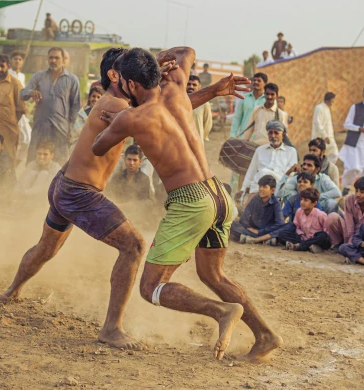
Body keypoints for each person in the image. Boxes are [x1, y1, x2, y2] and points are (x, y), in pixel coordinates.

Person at [0, 46, 252, 353]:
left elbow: (167, 113)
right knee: (133, 246)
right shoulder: (118, 104)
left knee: (46, 247)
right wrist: (187, 82)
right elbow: (167, 113)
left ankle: (11, 291)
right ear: (119, 77)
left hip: (65, 186)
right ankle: (111, 329)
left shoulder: (122, 104)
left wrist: (198, 87)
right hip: (79, 192)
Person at [91, 46, 280, 362]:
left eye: (122, 82)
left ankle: (222, 311)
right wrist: (160, 61)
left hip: (191, 201)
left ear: (132, 85)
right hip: (218, 194)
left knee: (151, 286)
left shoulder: (131, 117)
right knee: (213, 276)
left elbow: (98, 147)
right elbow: (186, 51)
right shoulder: (176, 87)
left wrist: (116, 120)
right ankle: (265, 335)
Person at [21, 47, 81, 164]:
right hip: (40, 125)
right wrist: (30, 92)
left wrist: (71, 129)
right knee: (34, 159)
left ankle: (58, 183)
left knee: (61, 161)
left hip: (61, 128)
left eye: (57, 58)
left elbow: (76, 106)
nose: (53, 60)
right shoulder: (39, 76)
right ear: (47, 59)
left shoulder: (72, 79)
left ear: (63, 60)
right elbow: (22, 94)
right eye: (51, 58)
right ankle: (31, 182)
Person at [240, 120, 298, 202]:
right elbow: (251, 172)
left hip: (279, 184)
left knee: (264, 173)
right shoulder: (260, 150)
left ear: (283, 135)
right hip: (259, 185)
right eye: (270, 133)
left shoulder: (291, 151)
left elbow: (290, 175)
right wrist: (245, 188)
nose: (273, 136)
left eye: (276, 133)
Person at [231, 176, 283, 245]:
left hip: (266, 232)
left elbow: (280, 224)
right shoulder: (255, 199)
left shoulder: (276, 203)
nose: (261, 189)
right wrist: (250, 228)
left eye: (264, 187)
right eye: (260, 186)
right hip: (252, 231)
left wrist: (260, 232)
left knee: (282, 230)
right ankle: (264, 240)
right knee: (232, 224)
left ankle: (251, 239)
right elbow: (243, 218)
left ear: (272, 190)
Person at [281, 188, 333, 252]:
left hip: (316, 239)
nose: (302, 202)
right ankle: (308, 247)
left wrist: (315, 238)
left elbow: (327, 232)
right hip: (303, 238)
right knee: (283, 233)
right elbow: (297, 226)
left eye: (306, 200)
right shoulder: (299, 211)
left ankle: (300, 246)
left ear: (314, 203)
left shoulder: (321, 215)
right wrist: (301, 234)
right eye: (301, 199)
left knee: (323, 236)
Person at [337, 175, 364, 244]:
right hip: (352, 234)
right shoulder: (350, 199)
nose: (358, 194)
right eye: (356, 191)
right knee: (332, 217)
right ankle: (338, 244)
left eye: (362, 192)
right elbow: (349, 225)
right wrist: (350, 241)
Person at [229, 72, 267, 139]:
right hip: (244, 136)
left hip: (261, 138)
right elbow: (237, 117)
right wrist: (233, 135)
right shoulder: (244, 98)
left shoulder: (267, 101)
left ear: (265, 84)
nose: (256, 82)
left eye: (259, 81)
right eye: (254, 80)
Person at [311, 92, 338, 164]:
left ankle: (326, 170)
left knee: (334, 154)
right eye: (332, 100)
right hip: (321, 138)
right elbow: (318, 123)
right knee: (319, 156)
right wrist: (325, 136)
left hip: (329, 137)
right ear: (328, 100)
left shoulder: (327, 109)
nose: (333, 102)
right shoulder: (319, 108)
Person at [187, 75, 213, 144]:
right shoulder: (178, 101)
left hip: (196, 142)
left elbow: (208, 123)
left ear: (199, 87)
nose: (191, 87)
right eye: (188, 84)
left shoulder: (204, 103)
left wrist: (200, 136)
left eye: (194, 85)